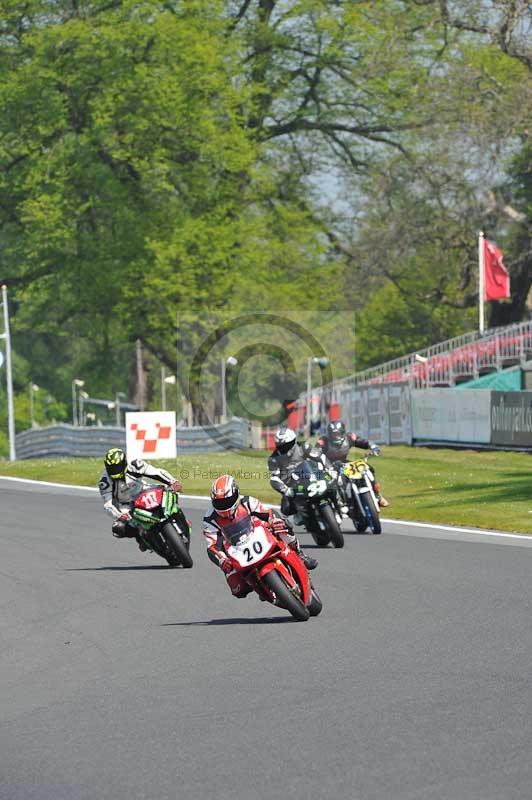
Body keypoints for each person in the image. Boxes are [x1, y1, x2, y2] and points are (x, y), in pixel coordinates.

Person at [202, 474, 317, 598]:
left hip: (258, 534)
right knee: (238, 590)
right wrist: (222, 560)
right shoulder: (210, 519)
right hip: (234, 551)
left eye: (227, 501)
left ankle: (299, 553)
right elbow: (212, 545)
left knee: (282, 524)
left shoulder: (247, 502)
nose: (224, 506)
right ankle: (260, 584)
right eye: (219, 503)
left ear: (236, 494)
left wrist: (273, 521)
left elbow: (268, 514)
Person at [98, 447, 183, 550]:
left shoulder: (134, 465)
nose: (114, 470)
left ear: (123, 462)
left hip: (143, 491)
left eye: (116, 467)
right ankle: (141, 537)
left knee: (167, 492)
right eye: (111, 467)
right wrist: (120, 515)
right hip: (127, 505)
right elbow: (108, 503)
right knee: (118, 528)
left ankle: (176, 515)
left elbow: (155, 472)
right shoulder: (105, 481)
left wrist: (172, 481)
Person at [317, 420, 389, 507]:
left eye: (338, 434)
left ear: (343, 432)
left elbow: (362, 442)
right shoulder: (323, 441)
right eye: (333, 435)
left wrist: (373, 447)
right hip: (329, 466)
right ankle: (337, 502)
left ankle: (377, 495)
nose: (336, 437)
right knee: (335, 483)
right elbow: (316, 452)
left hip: (344, 463)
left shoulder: (349, 437)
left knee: (368, 468)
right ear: (329, 434)